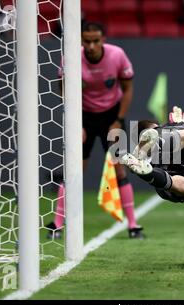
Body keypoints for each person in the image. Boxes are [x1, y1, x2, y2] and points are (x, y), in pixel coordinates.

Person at [46, 22, 144, 239]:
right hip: (84, 116)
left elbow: (127, 89)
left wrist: (118, 120)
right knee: (73, 170)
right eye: (86, 41)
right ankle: (57, 225)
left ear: (103, 40)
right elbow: (62, 89)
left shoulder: (117, 55)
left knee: (119, 169)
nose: (91, 46)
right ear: (81, 41)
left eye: (95, 41)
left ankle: (133, 225)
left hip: (112, 115)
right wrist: (75, 122)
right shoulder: (70, 58)